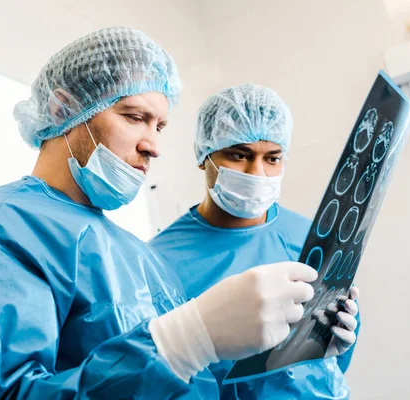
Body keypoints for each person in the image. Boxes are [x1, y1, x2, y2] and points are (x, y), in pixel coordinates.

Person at [0, 28, 318, 399]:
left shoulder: (135, 254)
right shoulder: (0, 227)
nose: (152, 145)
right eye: (135, 117)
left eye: (160, 126)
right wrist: (183, 342)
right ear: (63, 108)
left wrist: (298, 350)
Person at [151, 83, 361, 399]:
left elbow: (330, 363)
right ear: (203, 154)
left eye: (273, 158)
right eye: (239, 155)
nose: (257, 173)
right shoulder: (157, 261)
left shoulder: (311, 236)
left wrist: (338, 340)